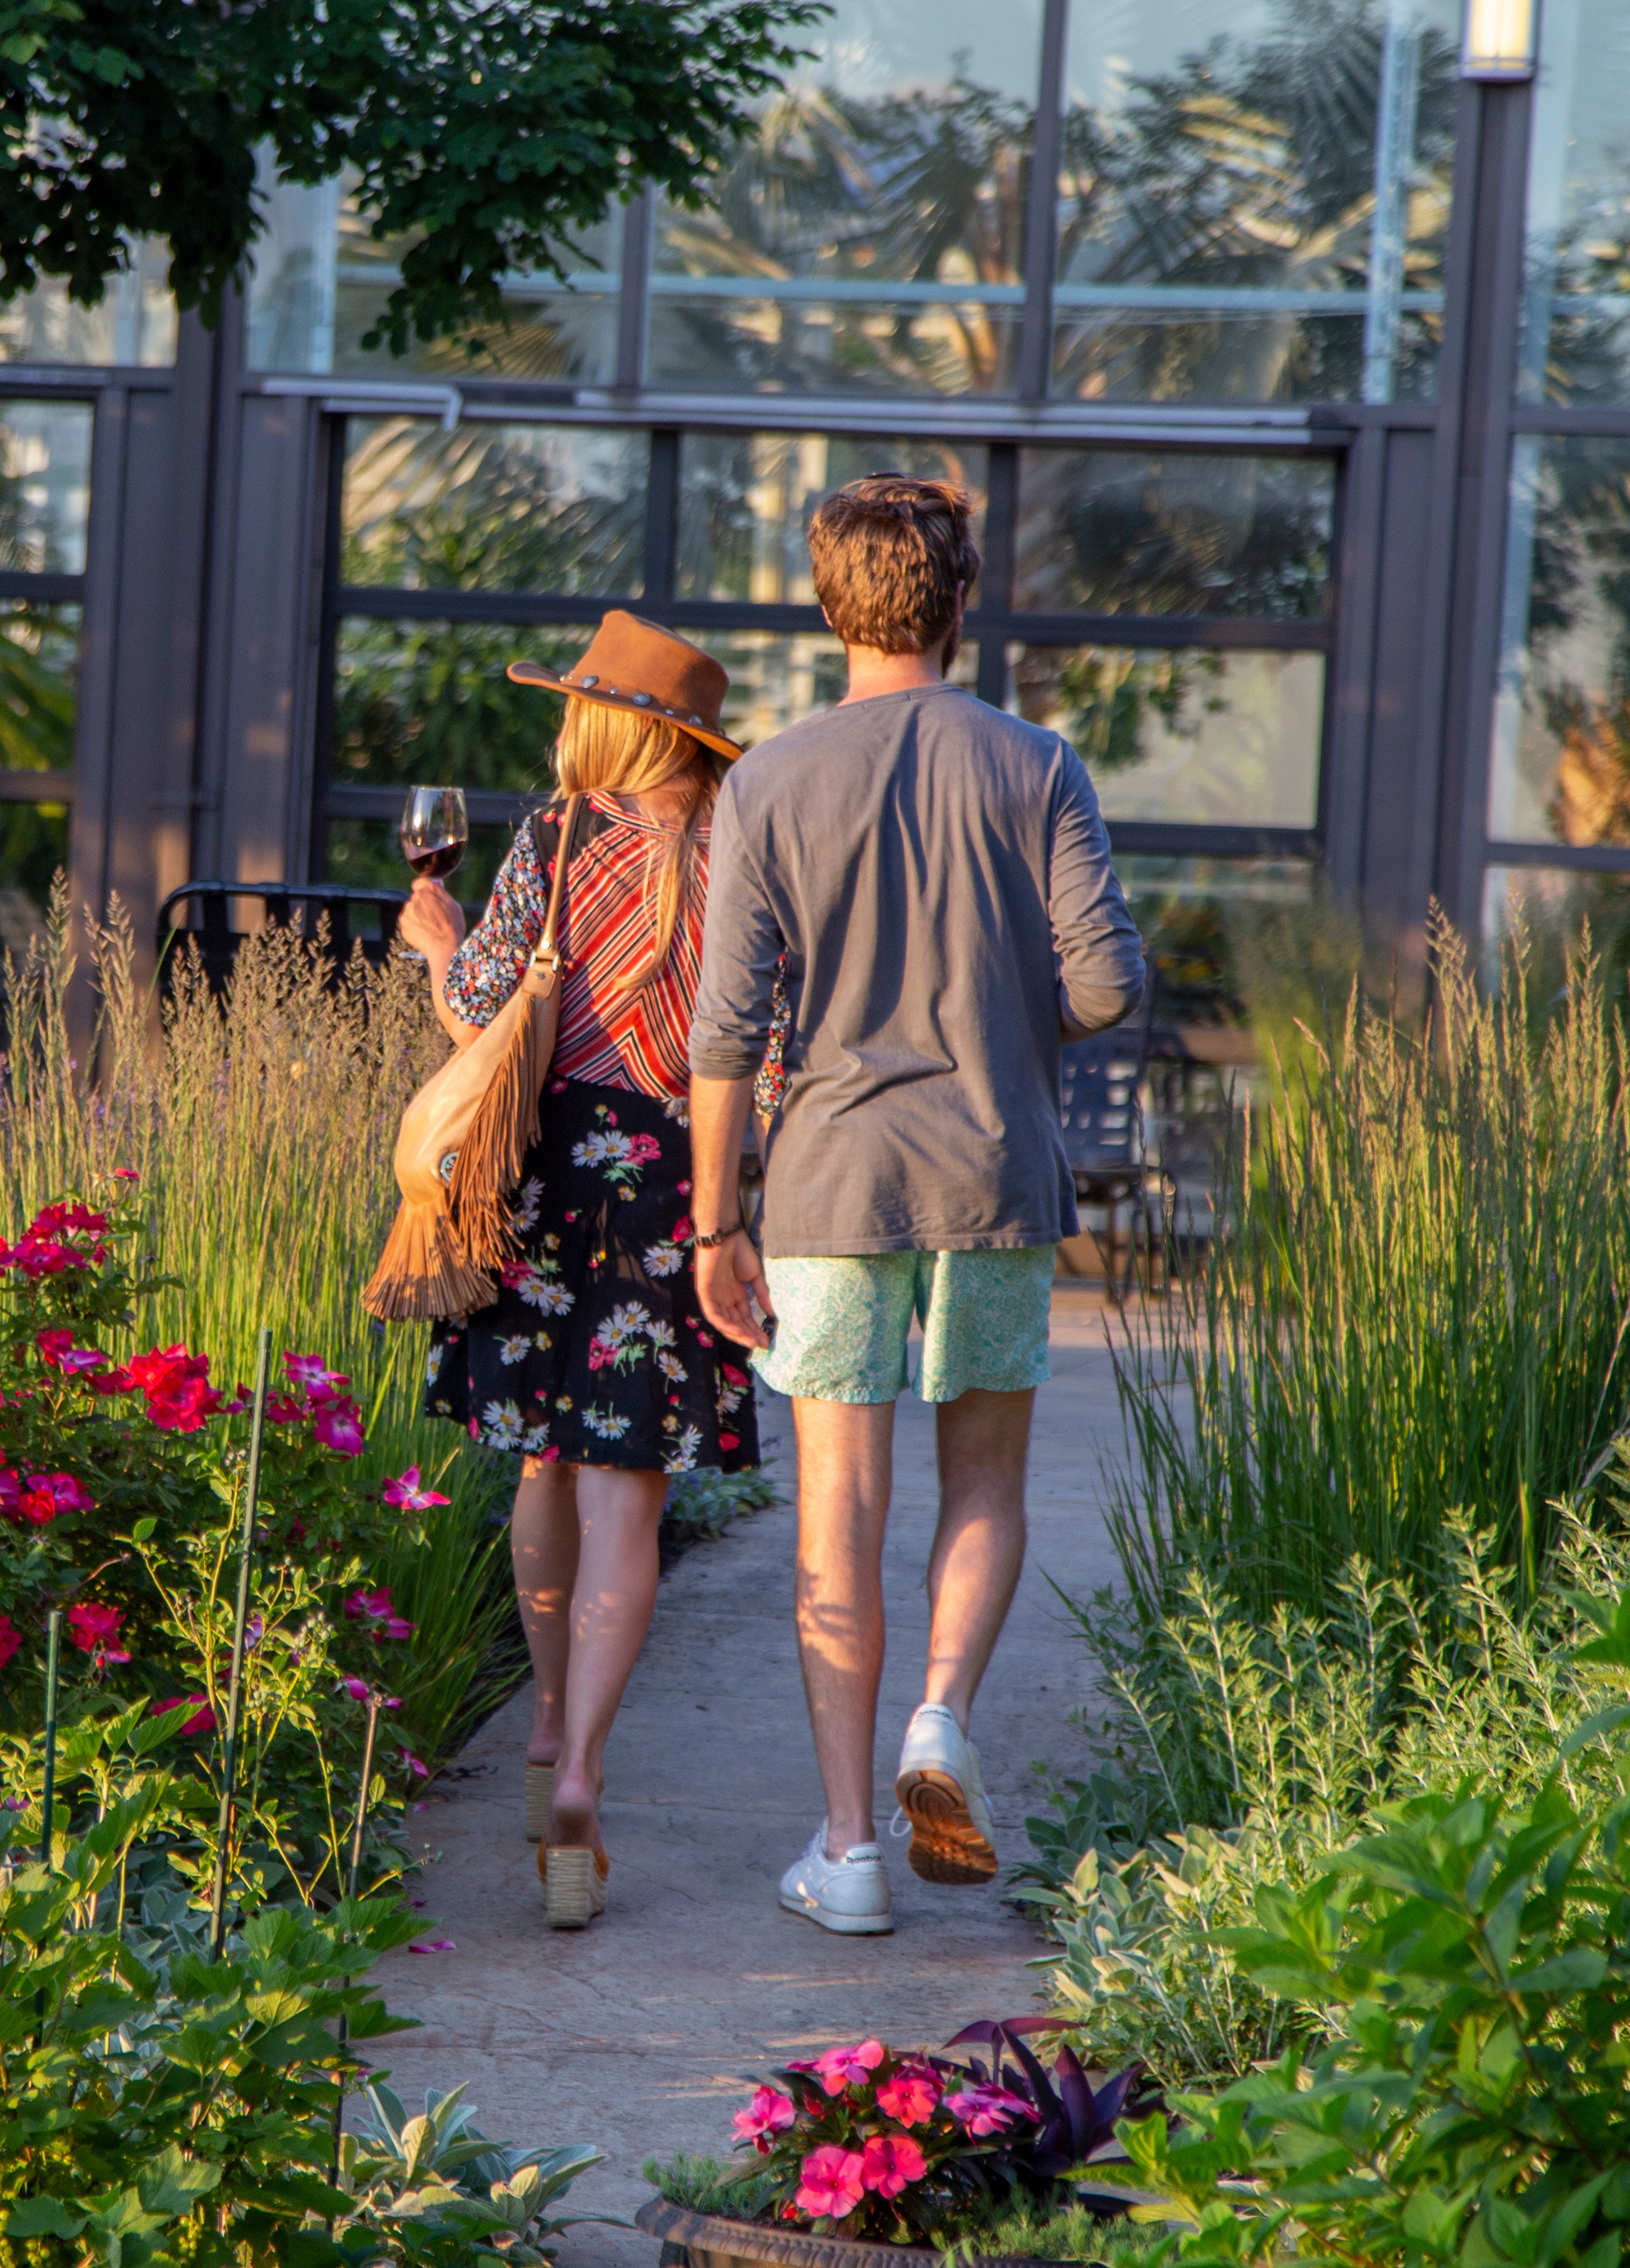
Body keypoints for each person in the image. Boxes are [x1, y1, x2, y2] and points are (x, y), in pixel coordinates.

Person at [684, 476, 1143, 1937]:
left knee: (839, 1505)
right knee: (987, 1481)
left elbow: (727, 1036)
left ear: (829, 604)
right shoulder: (1039, 764)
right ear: (964, 599)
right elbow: (1108, 983)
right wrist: (1006, 1020)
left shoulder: (766, 779)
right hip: (994, 1176)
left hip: (828, 1184)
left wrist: (716, 1225)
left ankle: (847, 1853)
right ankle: (940, 1719)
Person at [396, 609, 789, 1932]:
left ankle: (542, 1722)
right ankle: (583, 1772)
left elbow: (480, 1013)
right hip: (686, 1180)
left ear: (607, 721)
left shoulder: (557, 837)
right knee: (631, 1502)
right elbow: (772, 1054)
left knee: (538, 1465)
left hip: (548, 1174)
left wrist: (438, 936)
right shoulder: (749, 849)